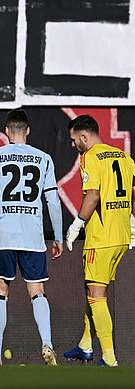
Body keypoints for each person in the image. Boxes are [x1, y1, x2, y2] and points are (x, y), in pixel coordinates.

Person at [0, 109, 64, 366]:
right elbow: (52, 200)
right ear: (28, 131)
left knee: (0, 291)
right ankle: (48, 344)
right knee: (37, 291)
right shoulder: (44, 159)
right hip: (32, 236)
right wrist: (59, 237)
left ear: (7, 131)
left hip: (4, 235)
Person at [63, 114, 135, 367]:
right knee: (92, 290)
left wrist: (76, 225)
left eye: (74, 140)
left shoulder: (90, 157)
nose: (73, 145)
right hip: (122, 236)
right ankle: (85, 344)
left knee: (96, 295)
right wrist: (133, 221)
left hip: (100, 238)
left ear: (84, 136)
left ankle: (110, 359)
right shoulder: (124, 157)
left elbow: (92, 196)